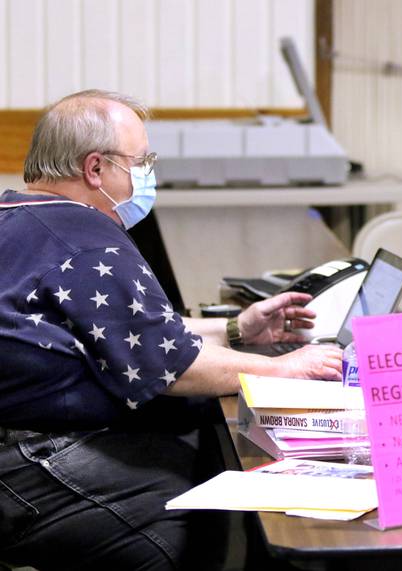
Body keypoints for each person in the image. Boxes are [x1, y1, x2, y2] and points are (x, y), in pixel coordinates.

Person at [0, 89, 343, 570]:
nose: (147, 174)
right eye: (141, 160)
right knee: (190, 501)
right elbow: (170, 365)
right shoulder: (86, 239)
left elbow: (124, 328)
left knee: (188, 445)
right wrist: (287, 368)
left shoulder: (17, 216)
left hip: (18, 445)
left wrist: (236, 329)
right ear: (95, 169)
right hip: (24, 463)